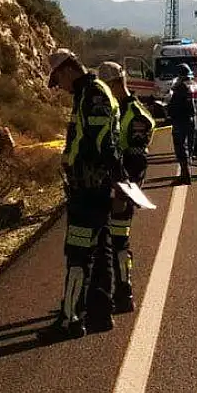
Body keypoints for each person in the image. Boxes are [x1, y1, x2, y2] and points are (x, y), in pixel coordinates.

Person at [42, 48, 127, 339]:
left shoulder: (93, 95)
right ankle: (100, 313)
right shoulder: (86, 94)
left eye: (58, 80)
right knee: (101, 249)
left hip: (90, 192)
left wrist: (119, 181)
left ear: (67, 70)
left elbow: (104, 144)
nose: (60, 88)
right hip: (91, 189)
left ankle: (70, 320)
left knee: (77, 254)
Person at [96, 62, 155, 314]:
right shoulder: (113, 109)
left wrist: (122, 193)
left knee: (119, 242)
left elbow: (136, 160)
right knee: (105, 242)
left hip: (123, 190)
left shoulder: (136, 114)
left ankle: (124, 292)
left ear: (117, 83)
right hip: (107, 186)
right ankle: (105, 292)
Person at [166, 63, 197, 184]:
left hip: (181, 120)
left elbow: (174, 105)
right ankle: (187, 173)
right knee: (190, 147)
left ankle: (185, 175)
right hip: (194, 119)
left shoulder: (181, 87)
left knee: (181, 147)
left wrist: (168, 110)